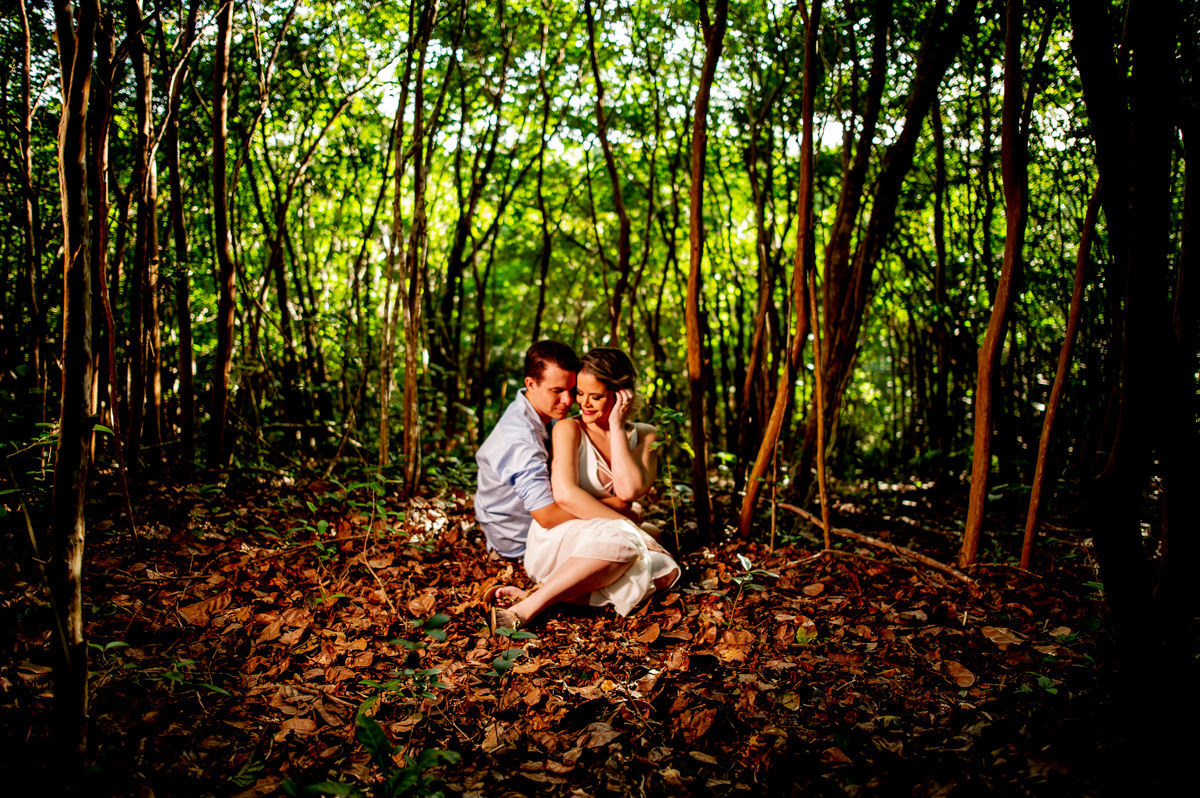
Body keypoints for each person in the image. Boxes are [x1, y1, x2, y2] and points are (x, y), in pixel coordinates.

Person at [490, 347, 679, 630]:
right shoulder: (567, 429)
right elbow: (566, 494)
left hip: (600, 534)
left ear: (620, 394)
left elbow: (628, 491)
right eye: (580, 393)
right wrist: (631, 525)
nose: (584, 403)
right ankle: (523, 611)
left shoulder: (647, 434)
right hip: (560, 537)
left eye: (597, 396)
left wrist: (616, 425)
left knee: (662, 570)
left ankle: (543, 593)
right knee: (629, 543)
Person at [475, 340, 632, 559]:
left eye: (571, 390)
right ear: (530, 384)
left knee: (645, 534)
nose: (568, 401)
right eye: (557, 391)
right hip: (519, 541)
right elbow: (547, 515)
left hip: (532, 525)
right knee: (630, 545)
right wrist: (614, 506)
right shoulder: (521, 438)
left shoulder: (542, 413)